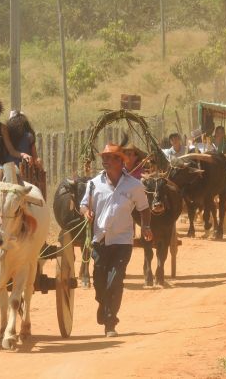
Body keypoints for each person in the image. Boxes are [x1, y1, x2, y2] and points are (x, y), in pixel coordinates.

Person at [80, 143, 152, 337]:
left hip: (122, 241)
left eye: (110, 158)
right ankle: (103, 304)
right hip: (100, 239)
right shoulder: (94, 183)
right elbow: (83, 205)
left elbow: (144, 208)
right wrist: (86, 212)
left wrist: (145, 226)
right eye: (104, 158)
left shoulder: (134, 185)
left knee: (115, 281)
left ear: (121, 161)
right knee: (99, 282)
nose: (105, 161)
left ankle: (110, 322)